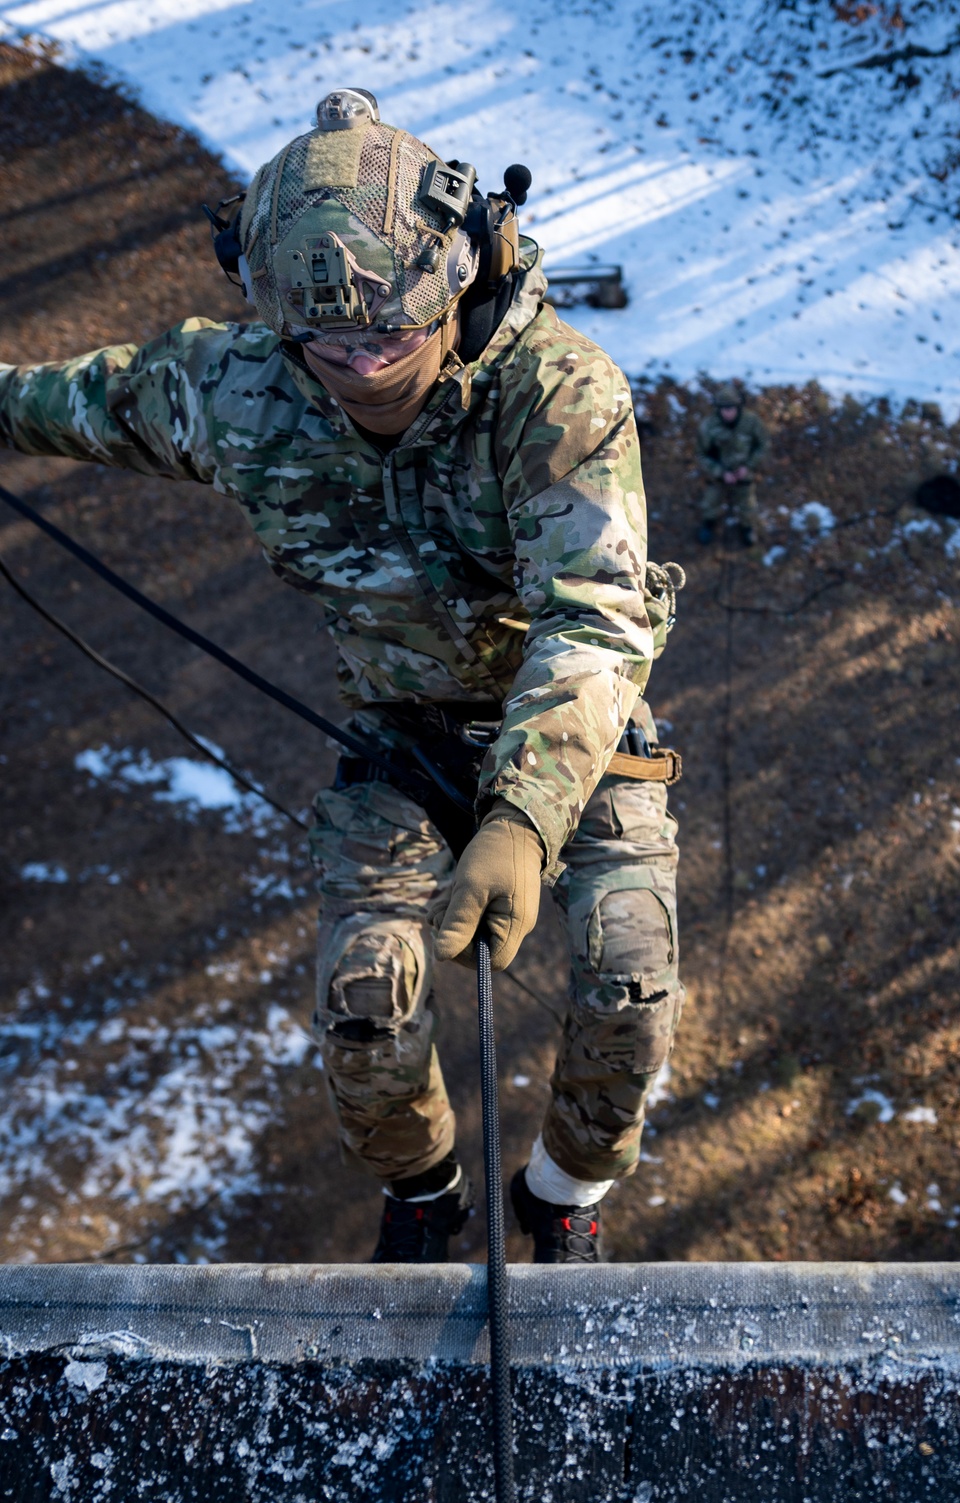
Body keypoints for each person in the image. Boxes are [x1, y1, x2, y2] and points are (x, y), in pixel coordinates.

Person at [0, 89, 686, 1265]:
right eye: (333, 344)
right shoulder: (243, 392)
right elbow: (79, 401)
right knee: (365, 1001)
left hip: (576, 729)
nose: (365, 365)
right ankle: (421, 1200)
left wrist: (522, 818)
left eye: (393, 336)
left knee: (627, 980)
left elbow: (596, 619)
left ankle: (562, 1196)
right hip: (401, 736)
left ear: (455, 289)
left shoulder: (555, 395)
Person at [697, 382, 769, 547]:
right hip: (718, 474)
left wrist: (749, 466)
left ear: (738, 407)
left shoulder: (751, 422)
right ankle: (708, 524)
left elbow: (763, 445)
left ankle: (747, 528)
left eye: (731, 408)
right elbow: (701, 454)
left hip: (744, 472)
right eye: (724, 408)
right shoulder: (708, 426)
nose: (728, 412)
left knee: (747, 505)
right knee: (710, 502)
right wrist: (720, 472)